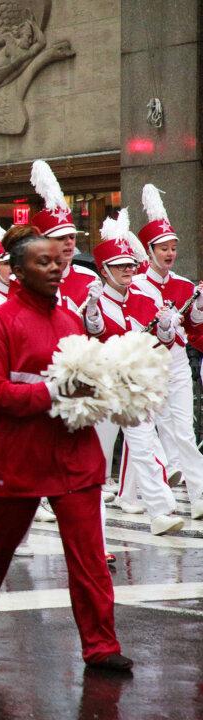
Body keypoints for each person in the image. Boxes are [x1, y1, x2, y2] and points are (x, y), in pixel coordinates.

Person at [0, 224, 132, 673]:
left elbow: (84, 383)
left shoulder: (69, 319)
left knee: (89, 557)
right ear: (16, 271)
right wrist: (50, 393)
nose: (55, 268)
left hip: (74, 455)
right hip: (20, 457)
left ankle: (100, 646)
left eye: (59, 261)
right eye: (42, 262)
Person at [83, 210, 182, 536]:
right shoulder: (93, 302)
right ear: (104, 271)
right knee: (94, 460)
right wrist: (93, 310)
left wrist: (166, 327)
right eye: (119, 266)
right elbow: (93, 332)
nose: (128, 270)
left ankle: (161, 511)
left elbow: (162, 342)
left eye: (130, 265)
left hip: (132, 387)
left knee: (144, 444)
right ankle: (90, 526)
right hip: (101, 387)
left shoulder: (142, 299)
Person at [135, 184, 203, 520]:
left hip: (176, 362)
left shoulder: (184, 284)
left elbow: (192, 324)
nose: (170, 253)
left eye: (173, 247)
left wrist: (199, 308)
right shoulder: (136, 286)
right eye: (163, 248)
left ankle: (199, 494)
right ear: (149, 250)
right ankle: (158, 496)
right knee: (153, 429)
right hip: (148, 363)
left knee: (184, 430)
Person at [30, 160, 99, 310]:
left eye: (72, 237)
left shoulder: (89, 278)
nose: (69, 242)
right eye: (61, 238)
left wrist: (93, 312)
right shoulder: (28, 280)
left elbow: (98, 332)